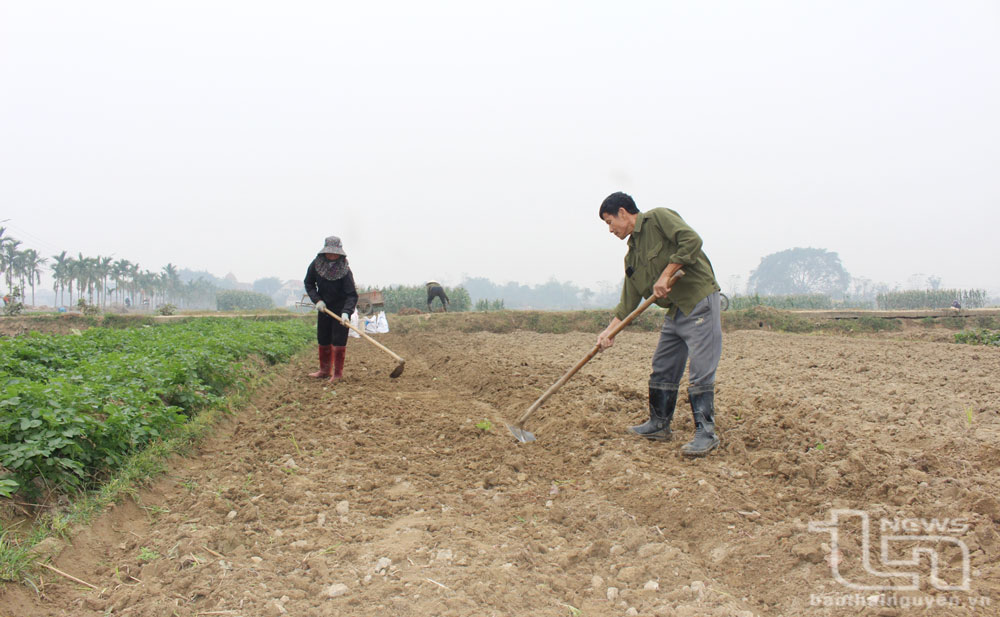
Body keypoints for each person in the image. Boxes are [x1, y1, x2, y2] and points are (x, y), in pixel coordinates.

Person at [597, 192, 723, 457]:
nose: (610, 230)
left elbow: (692, 240)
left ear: (623, 212)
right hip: (675, 311)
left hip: (699, 301)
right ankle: (658, 424)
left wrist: (666, 274)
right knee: (663, 365)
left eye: (610, 222)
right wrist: (610, 332)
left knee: (700, 370)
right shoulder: (631, 258)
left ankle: (706, 434)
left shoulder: (658, 218)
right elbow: (627, 302)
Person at [304, 236, 358, 381]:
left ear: (340, 253)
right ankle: (324, 370)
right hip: (324, 308)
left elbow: (352, 294)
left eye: (335, 253)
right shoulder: (316, 265)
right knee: (323, 338)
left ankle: (337, 374)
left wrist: (346, 312)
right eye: (330, 252)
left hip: (341, 310)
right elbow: (308, 283)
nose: (332, 255)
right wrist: (318, 300)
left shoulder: (345, 269)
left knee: (339, 340)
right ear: (325, 252)